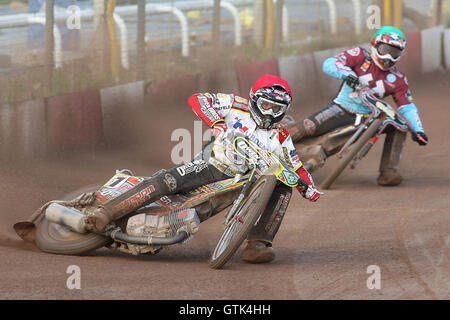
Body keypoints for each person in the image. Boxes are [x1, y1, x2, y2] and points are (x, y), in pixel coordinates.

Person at [86, 74, 322, 264]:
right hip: (215, 164)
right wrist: (217, 123)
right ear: (253, 99)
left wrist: (309, 188)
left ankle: (257, 244)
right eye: (266, 105)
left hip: (242, 183)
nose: (270, 112)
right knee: (168, 180)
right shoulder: (236, 104)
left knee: (283, 186)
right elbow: (198, 99)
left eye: (277, 108)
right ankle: (106, 213)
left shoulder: (281, 135)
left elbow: (295, 166)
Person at [285, 26, 428, 186]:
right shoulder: (360, 55)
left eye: (394, 52)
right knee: (309, 127)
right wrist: (347, 73)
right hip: (341, 108)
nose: (388, 56)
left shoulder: (398, 79)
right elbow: (331, 63)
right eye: (385, 49)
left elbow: (407, 106)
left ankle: (388, 172)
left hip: (368, 118)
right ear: (374, 45)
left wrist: (418, 129)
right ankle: (271, 138)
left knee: (399, 126)